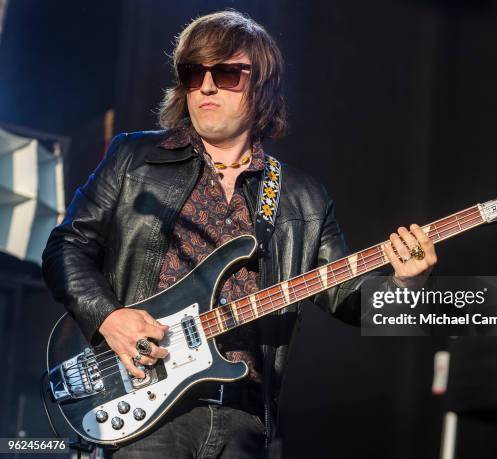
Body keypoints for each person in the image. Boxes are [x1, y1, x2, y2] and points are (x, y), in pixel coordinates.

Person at [42, 10, 437, 458]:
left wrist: (405, 284)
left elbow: (347, 296)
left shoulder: (301, 198)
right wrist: (110, 318)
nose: (207, 86)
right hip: (145, 407)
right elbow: (65, 247)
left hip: (243, 419)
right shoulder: (135, 157)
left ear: (262, 88)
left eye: (227, 72)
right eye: (195, 73)